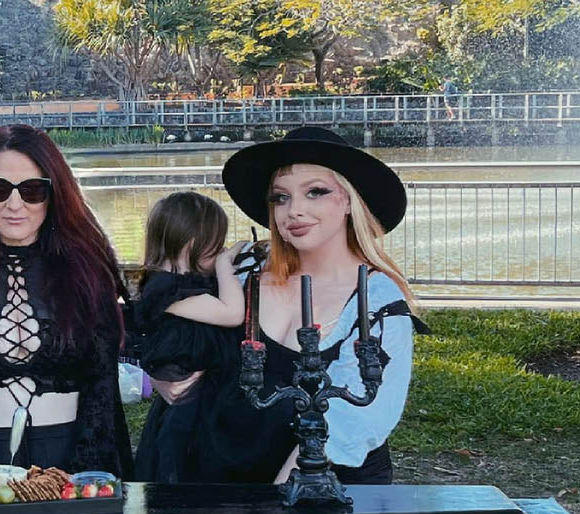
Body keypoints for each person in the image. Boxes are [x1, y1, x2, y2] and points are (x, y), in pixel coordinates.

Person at [156, 125, 426, 485]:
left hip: (323, 490)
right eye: (280, 198)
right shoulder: (242, 274)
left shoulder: (377, 301)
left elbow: (358, 418)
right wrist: (160, 371)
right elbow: (169, 326)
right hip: (214, 475)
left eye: (315, 192)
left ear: (348, 200)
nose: (294, 211)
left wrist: (284, 499)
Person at [0, 124, 132, 475]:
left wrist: (83, 475)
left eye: (32, 190)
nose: (14, 205)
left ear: (53, 194)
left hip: (69, 457)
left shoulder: (88, 271)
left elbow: (100, 389)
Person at [130, 191, 247, 482]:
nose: (221, 250)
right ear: (192, 242)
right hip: (189, 413)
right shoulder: (168, 290)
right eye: (216, 243)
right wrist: (224, 268)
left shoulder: (191, 285)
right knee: (186, 480)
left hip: (207, 400)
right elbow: (233, 314)